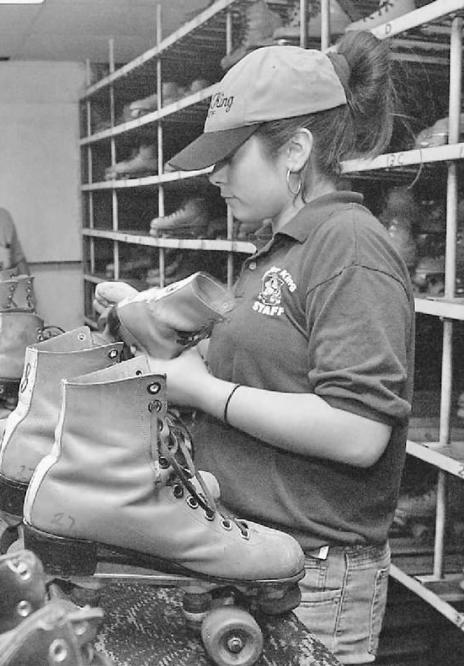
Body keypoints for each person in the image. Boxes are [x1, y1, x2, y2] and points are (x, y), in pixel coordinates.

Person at [143, 34, 412, 664]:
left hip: (313, 577)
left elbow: (357, 429)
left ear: (294, 152)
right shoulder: (280, 247)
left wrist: (202, 390)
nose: (213, 176)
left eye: (228, 158)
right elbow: (272, 366)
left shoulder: (350, 247)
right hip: (254, 551)